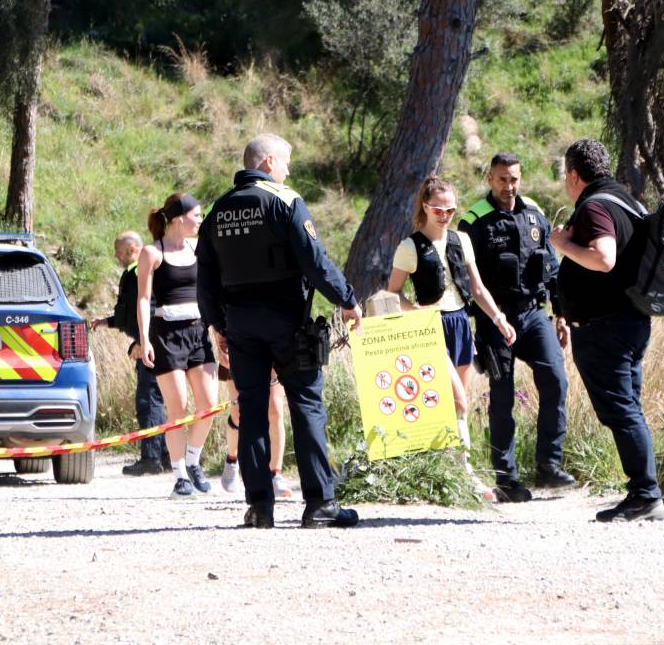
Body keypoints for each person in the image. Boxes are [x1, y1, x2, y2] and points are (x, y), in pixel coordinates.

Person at [197, 132, 363, 529]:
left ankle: (259, 507)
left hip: (239, 323)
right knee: (306, 405)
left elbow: (205, 275)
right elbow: (315, 262)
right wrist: (347, 299)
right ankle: (320, 503)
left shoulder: (218, 210)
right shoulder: (285, 201)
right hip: (287, 319)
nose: (288, 170)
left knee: (251, 410)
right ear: (268, 162)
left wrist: (216, 324)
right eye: (286, 162)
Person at [550, 138, 664, 522]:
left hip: (606, 328)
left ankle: (646, 495)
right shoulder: (627, 201)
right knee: (628, 407)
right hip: (630, 322)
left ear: (573, 174)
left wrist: (562, 244)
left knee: (621, 410)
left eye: (565, 177)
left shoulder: (595, 205)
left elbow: (603, 258)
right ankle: (644, 491)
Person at [386, 176, 515, 502]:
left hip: (460, 324)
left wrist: (499, 318)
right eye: (438, 210)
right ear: (425, 208)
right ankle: (465, 471)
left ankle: (441, 468)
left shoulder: (461, 240)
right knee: (458, 400)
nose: (445, 215)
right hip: (430, 325)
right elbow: (392, 293)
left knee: (454, 405)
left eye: (450, 210)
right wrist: (416, 310)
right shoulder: (409, 247)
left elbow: (476, 287)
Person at [458, 152, 575, 503]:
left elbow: (552, 269)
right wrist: (474, 327)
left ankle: (548, 465)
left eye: (514, 179)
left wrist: (561, 315)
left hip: (533, 315)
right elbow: (466, 280)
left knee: (556, 379)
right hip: (496, 319)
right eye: (502, 179)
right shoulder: (474, 222)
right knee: (502, 398)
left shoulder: (533, 213)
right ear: (489, 179)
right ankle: (507, 478)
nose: (509, 186)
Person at [137, 193, 220, 499]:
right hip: (166, 335)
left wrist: (220, 331)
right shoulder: (151, 253)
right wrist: (144, 340)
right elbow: (144, 300)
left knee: (209, 405)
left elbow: (213, 290)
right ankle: (179, 475)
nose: (200, 220)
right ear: (177, 218)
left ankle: (194, 461)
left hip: (198, 332)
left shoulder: (199, 249)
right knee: (178, 408)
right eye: (196, 215)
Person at [90, 231, 169, 476]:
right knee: (157, 399)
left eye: (119, 251)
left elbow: (151, 307)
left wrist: (143, 341)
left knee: (149, 401)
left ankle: (151, 458)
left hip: (150, 346)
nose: (116, 256)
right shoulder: (138, 272)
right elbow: (130, 313)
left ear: (133, 249)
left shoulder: (138, 273)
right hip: (152, 343)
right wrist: (107, 322)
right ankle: (165, 455)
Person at [216, 362, 293, 500]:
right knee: (238, 412)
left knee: (275, 409)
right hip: (241, 345)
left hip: (273, 346)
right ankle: (232, 459)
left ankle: (275, 474)